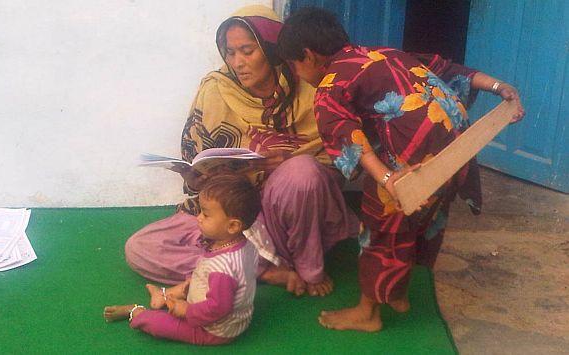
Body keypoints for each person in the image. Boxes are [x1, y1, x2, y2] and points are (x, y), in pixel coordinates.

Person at [277, 8, 525, 331]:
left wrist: (386, 179)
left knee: (380, 224)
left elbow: (348, 138)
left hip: (415, 159)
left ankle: (368, 312)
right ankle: (398, 292)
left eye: (294, 66)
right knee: (424, 216)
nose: (297, 74)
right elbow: (447, 70)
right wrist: (499, 87)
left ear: (308, 56)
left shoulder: (329, 86)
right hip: (457, 149)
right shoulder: (386, 54)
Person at [124, 5, 359, 297]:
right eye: (230, 52)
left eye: (248, 50)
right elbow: (195, 161)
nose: (238, 62)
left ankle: (305, 267)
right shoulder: (216, 89)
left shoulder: (310, 86)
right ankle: (260, 268)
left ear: (272, 49)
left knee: (302, 171)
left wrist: (286, 166)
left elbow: (342, 158)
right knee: (140, 248)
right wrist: (209, 174)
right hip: (234, 213)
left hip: (285, 216)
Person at [104, 175, 260, 345]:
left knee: (159, 324)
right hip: (238, 318)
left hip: (214, 330)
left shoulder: (221, 269)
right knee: (193, 280)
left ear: (232, 226)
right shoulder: (247, 246)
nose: (199, 217)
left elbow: (218, 308)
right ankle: (163, 295)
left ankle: (136, 312)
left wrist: (186, 310)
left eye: (206, 215)